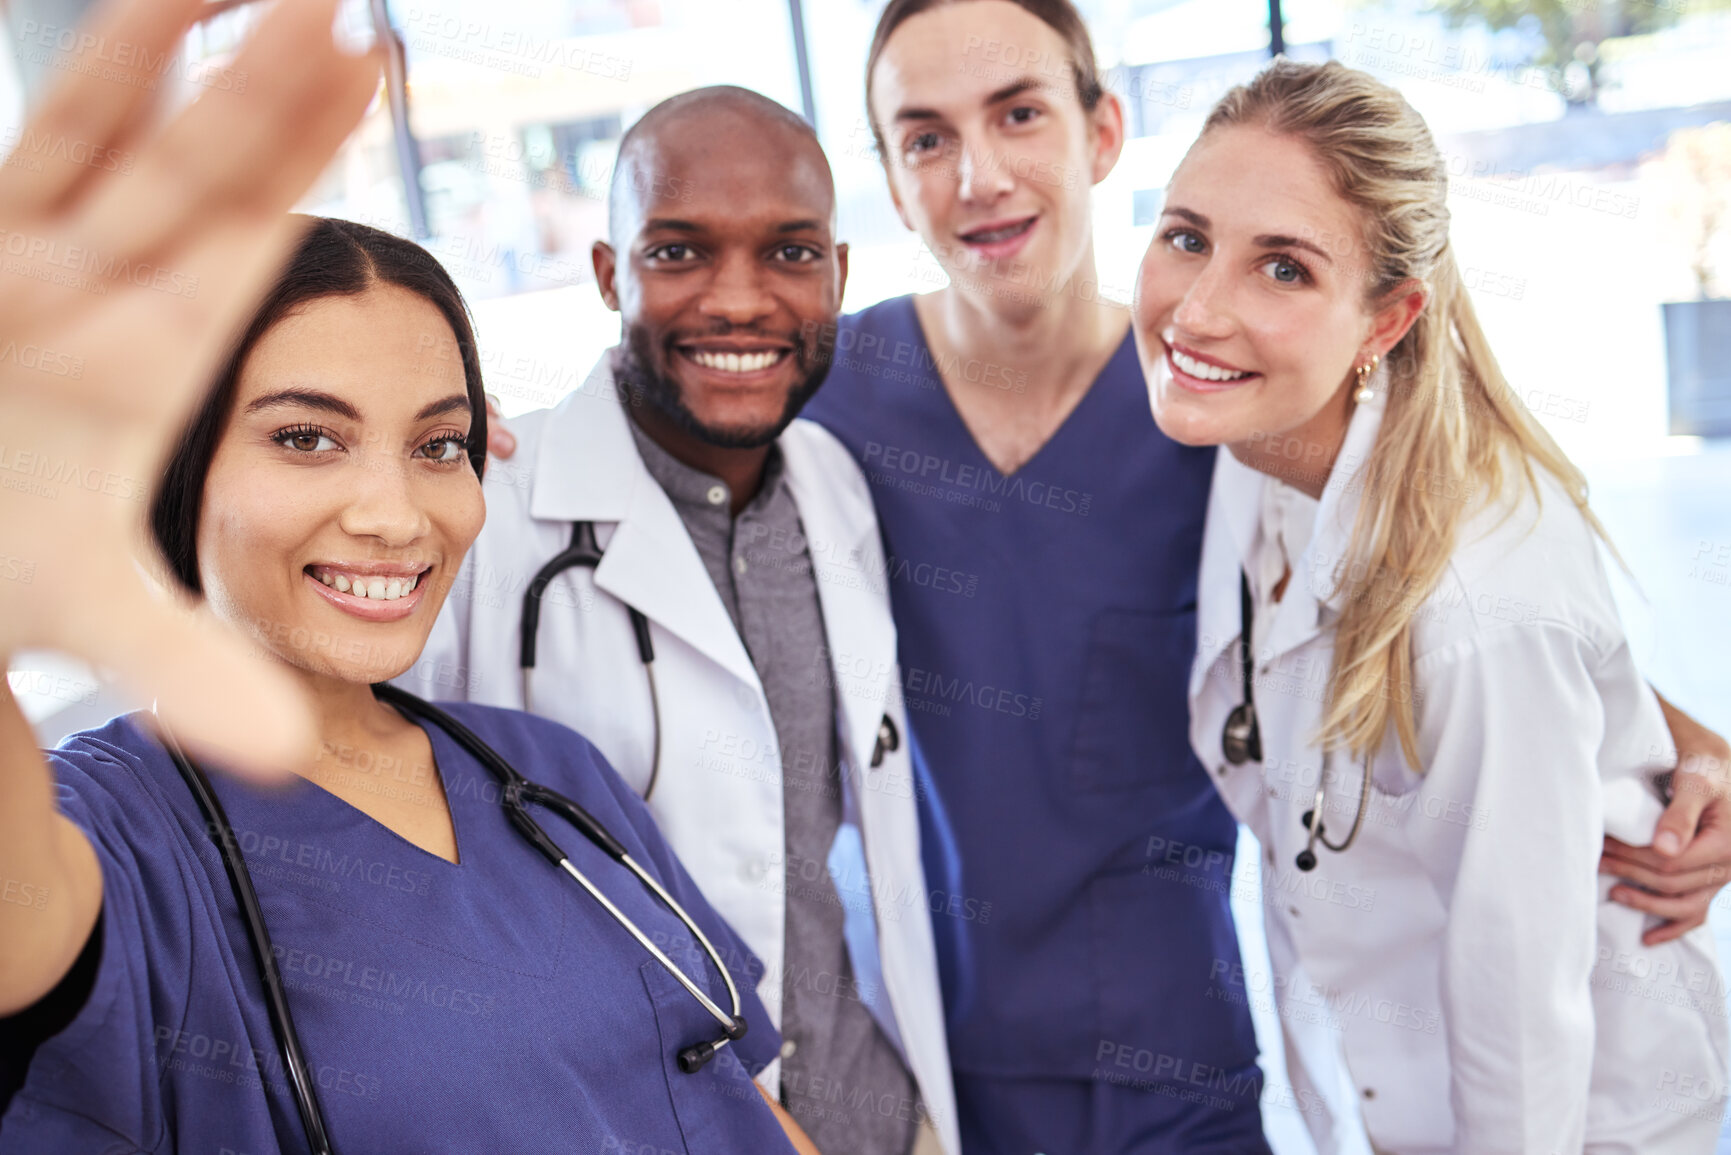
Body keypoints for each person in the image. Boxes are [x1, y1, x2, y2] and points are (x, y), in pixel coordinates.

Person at [800, 1, 1731, 1152]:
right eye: (926, 137)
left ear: (1101, 134)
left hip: (1225, 1068)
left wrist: (1685, 748)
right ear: (889, 178)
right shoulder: (846, 405)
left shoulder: (1222, 418)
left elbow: (1494, 648)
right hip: (968, 1057)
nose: (979, 174)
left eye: (1019, 113)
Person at [0, 6, 815, 1148]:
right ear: (171, 463)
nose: (395, 514)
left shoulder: (547, 775)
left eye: (438, 445)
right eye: (304, 437)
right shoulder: (114, 837)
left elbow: (738, 1100)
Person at [1138, 58, 1728, 1153]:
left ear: (1387, 318)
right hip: (1396, 1093)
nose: (1199, 308)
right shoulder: (1256, 434)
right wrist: (1688, 737)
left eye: (1284, 268)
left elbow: (1524, 1041)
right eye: (1186, 237)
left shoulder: (1479, 609)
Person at [407, 88, 956, 1155]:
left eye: (791, 254)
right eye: (679, 252)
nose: (740, 300)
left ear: (839, 275)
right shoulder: (486, 516)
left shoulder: (837, 485)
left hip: (877, 1111)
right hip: (630, 1128)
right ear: (611, 274)